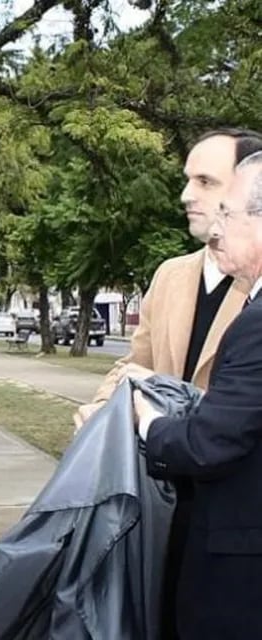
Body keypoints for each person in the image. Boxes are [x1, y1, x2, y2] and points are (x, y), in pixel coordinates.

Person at [76, 128, 262, 640]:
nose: (187, 195)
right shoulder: (169, 275)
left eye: (206, 183)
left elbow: (223, 426)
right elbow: (135, 365)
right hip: (159, 505)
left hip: (229, 521)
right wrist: (100, 410)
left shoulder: (254, 302)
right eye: (187, 180)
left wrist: (152, 421)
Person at [133, 151, 262, 639]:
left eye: (226, 211)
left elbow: (210, 444)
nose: (216, 227)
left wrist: (148, 423)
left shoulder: (257, 323)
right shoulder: (178, 278)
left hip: (241, 579)